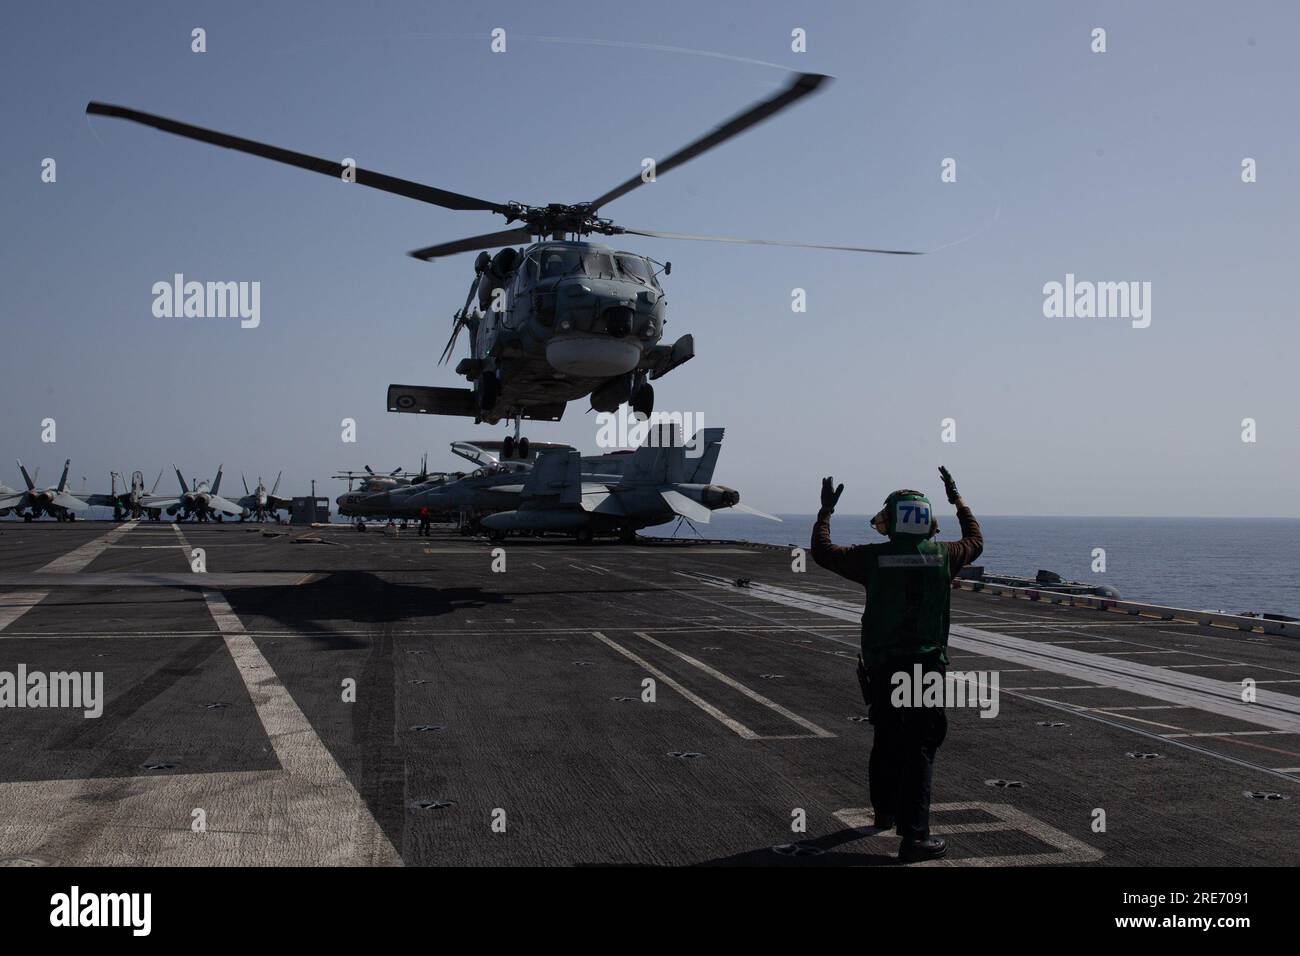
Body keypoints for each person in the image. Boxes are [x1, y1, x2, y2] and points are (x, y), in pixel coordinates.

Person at [811, 466, 982, 862]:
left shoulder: (874, 558)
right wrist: (958, 498)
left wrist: (825, 513)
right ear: (927, 523)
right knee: (920, 746)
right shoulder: (946, 556)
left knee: (886, 736)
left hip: (883, 665)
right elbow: (976, 539)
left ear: (892, 521)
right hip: (925, 665)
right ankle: (915, 837)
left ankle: (884, 812)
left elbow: (823, 553)